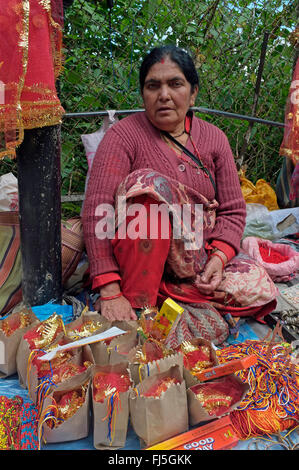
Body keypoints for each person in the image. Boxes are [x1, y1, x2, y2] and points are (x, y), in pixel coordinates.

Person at [82, 45, 277, 322]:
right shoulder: (123, 137)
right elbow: (98, 210)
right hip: (139, 266)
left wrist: (219, 258)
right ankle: (139, 303)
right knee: (147, 184)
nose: (164, 95)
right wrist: (109, 290)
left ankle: (179, 296)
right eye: (153, 86)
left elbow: (233, 211)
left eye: (175, 84)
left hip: (198, 260)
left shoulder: (215, 138)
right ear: (143, 94)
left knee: (259, 290)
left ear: (193, 92)